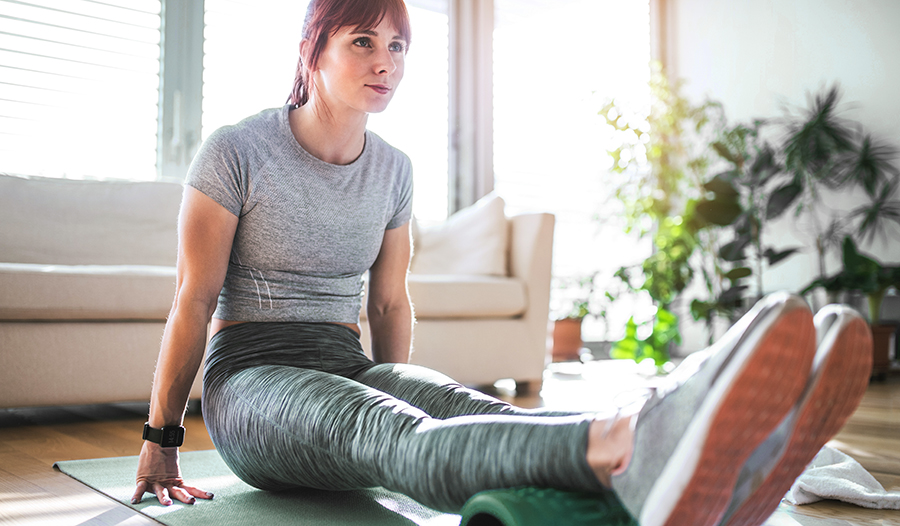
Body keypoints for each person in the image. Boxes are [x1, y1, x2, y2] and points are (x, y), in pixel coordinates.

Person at [131, 1, 872, 524]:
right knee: (388, 434)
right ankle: (633, 441)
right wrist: (163, 439)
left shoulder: (393, 169)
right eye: (363, 41)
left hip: (344, 359)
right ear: (310, 49)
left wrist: (399, 382)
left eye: (399, 46)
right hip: (252, 382)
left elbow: (389, 304)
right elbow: (193, 300)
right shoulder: (236, 150)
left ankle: (680, 441)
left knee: (470, 408)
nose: (386, 62)